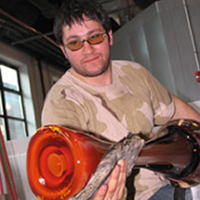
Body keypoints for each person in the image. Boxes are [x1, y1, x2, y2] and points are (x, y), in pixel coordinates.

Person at [41, 0, 200, 199]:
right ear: (64, 50)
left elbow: (174, 109)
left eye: (95, 37)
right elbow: (67, 181)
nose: (87, 49)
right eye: (74, 43)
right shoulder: (62, 104)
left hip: (165, 186)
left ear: (109, 37)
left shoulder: (134, 73)